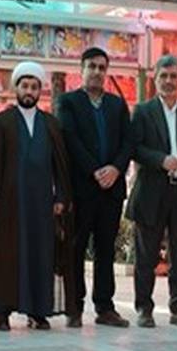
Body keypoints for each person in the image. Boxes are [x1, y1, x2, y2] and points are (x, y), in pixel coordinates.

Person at [0, 62, 74, 331]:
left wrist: (61, 197)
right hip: (8, 203)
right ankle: (2, 312)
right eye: (25, 86)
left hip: (41, 204)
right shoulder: (1, 122)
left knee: (40, 255)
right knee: (5, 255)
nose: (29, 91)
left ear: (40, 90)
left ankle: (38, 311)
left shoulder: (50, 124)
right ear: (16, 88)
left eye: (34, 87)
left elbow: (60, 165)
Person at [126, 55, 177, 328]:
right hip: (152, 191)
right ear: (155, 78)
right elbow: (134, 148)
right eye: (163, 76)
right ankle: (144, 308)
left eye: (173, 76)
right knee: (146, 255)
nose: (168, 81)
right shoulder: (143, 111)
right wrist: (160, 159)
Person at [56, 47, 133, 328]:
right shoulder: (68, 102)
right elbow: (70, 139)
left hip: (111, 190)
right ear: (82, 70)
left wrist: (115, 168)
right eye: (92, 66)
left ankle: (105, 307)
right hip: (82, 189)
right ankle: (74, 307)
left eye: (102, 67)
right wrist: (95, 170)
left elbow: (128, 142)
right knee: (76, 248)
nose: (97, 72)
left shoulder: (117, 105)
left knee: (105, 250)